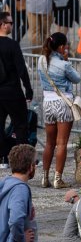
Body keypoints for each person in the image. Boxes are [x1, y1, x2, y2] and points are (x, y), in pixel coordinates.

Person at [37, 32, 80, 189]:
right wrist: (66, 60)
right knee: (61, 143)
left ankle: (45, 177)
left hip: (47, 102)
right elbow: (77, 79)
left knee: (49, 143)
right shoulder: (64, 64)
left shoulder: (41, 60)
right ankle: (58, 178)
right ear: (62, 47)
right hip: (62, 102)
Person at [0, 12, 32, 165]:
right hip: (12, 92)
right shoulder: (12, 45)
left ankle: (3, 157)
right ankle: (22, 160)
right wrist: (28, 89)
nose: (12, 25)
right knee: (20, 125)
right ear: (3, 24)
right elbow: (21, 69)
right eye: (10, 23)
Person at [0, 144, 36, 242]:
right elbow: (15, 220)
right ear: (31, 167)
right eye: (35, 163)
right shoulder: (20, 189)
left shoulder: (5, 182)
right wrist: (21, 238)